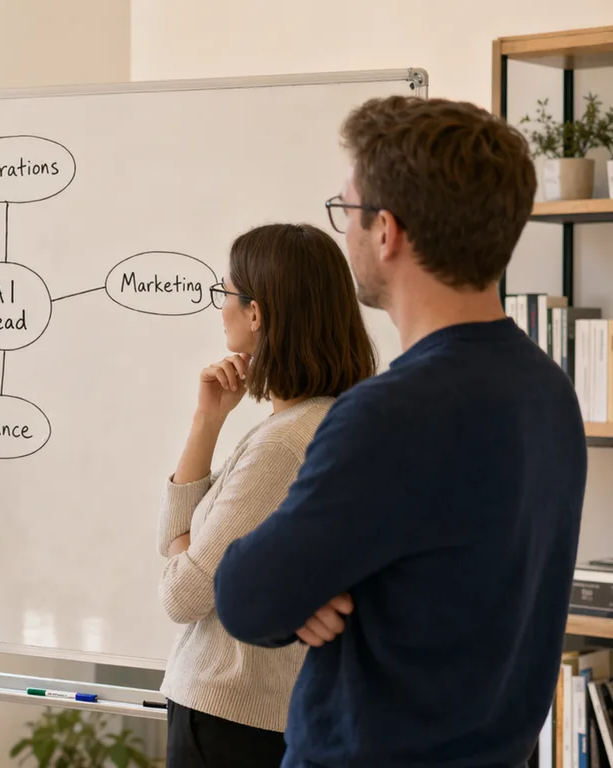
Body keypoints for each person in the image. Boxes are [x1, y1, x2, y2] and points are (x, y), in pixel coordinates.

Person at [214, 96, 586, 766]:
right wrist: (309, 588)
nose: (345, 230)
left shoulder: (388, 415)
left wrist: (303, 591)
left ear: (386, 231)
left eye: (347, 210)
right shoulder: (550, 392)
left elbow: (245, 597)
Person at [157, 223, 375, 767]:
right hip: (253, 722)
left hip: (228, 720)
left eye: (225, 292)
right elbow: (179, 545)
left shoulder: (282, 446)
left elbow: (182, 596)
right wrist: (207, 420)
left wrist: (186, 553)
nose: (220, 307)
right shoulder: (323, 422)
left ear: (255, 313)